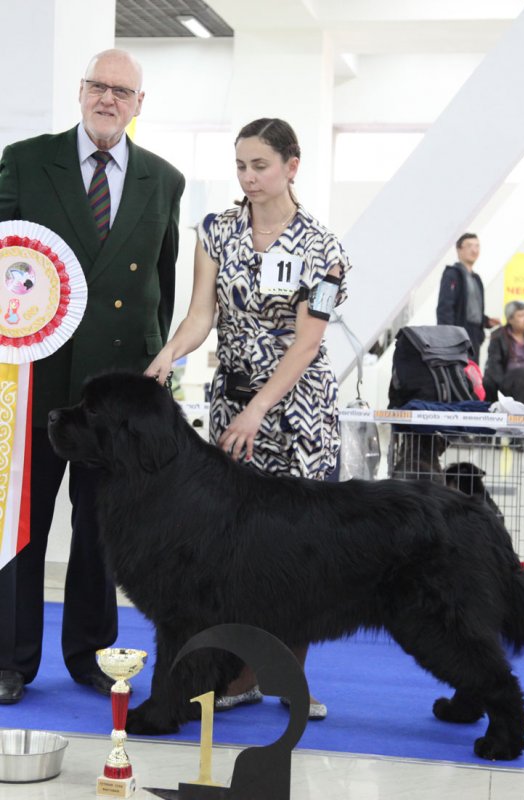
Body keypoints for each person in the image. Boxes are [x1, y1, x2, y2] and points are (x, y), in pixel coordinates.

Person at [146, 117, 351, 720]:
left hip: (300, 412)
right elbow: (200, 315)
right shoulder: (217, 230)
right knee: (229, 549)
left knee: (299, 547)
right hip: (231, 405)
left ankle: (293, 676)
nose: (248, 176)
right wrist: (166, 355)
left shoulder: (327, 250)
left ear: (293, 164)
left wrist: (260, 409)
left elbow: (308, 344)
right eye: (240, 165)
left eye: (260, 164)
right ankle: (237, 673)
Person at [0, 49, 185, 704]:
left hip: (117, 390)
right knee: (21, 525)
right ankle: (10, 658)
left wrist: (156, 370)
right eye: (98, 87)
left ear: (139, 104)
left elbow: (159, 288)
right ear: (81, 93)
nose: (108, 99)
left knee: (101, 525)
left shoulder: (165, 179)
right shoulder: (25, 160)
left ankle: (91, 653)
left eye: (122, 91)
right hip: (37, 380)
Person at [436, 232, 500, 364]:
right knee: (458, 376)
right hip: (457, 337)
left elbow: (473, 310)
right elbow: (445, 309)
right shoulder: (452, 275)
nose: (474, 250)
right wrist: (449, 338)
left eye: (477, 246)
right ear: (459, 249)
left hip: (474, 337)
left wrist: (486, 321)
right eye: (469, 246)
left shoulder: (476, 279)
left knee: (472, 376)